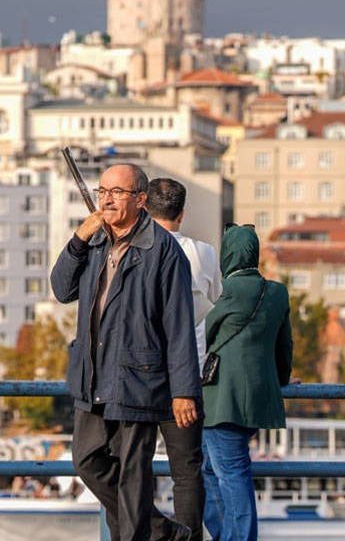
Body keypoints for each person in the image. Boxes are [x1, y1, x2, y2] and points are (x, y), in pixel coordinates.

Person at [50, 163, 201, 541]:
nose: (107, 200)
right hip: (94, 375)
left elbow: (179, 325)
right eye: (103, 191)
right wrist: (77, 240)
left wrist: (183, 391)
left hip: (139, 377)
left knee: (134, 475)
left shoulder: (163, 251)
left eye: (117, 192)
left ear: (140, 200)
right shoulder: (95, 240)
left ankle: (144, 533)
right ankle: (163, 532)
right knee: (86, 461)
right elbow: (61, 288)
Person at [201, 224, 293, 541]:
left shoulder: (229, 291)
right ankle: (226, 534)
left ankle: (237, 538)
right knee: (212, 469)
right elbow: (285, 346)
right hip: (259, 396)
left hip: (221, 398)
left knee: (231, 474)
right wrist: (281, 380)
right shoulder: (277, 292)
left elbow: (207, 333)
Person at [145, 178, 223, 541]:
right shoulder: (203, 253)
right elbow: (215, 302)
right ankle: (189, 536)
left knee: (132, 466)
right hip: (189, 377)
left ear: (145, 209)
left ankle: (151, 530)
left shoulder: (135, 249)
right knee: (188, 470)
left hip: (142, 376)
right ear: (182, 212)